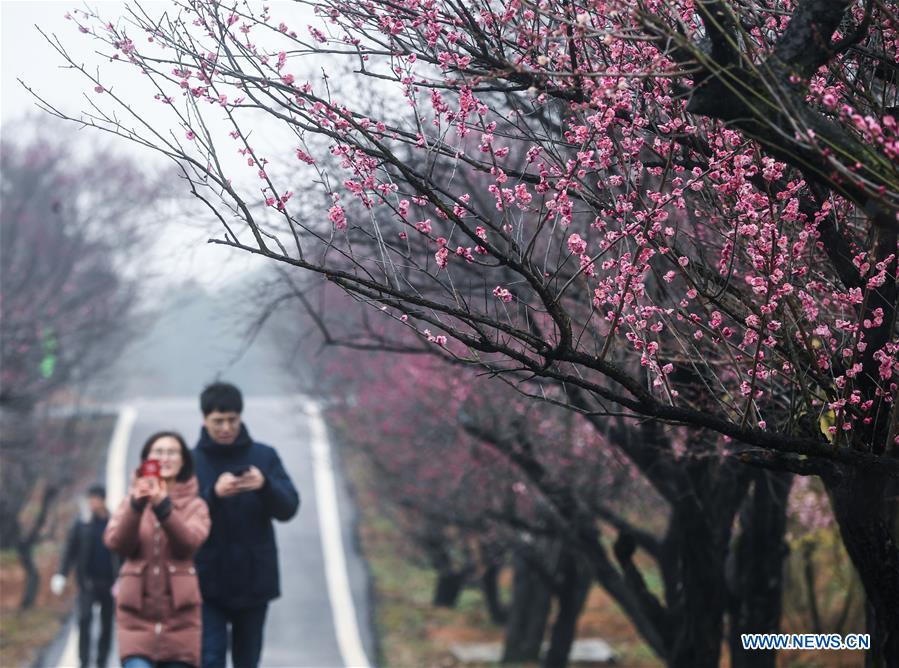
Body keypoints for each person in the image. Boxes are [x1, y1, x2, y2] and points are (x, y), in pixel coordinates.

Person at [192, 382, 300, 668]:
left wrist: (265, 486)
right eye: (218, 421)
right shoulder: (191, 462)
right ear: (204, 420)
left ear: (241, 417)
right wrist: (213, 495)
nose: (226, 428)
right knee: (210, 658)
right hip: (206, 582)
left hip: (254, 581)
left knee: (247, 661)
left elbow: (289, 508)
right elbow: (180, 518)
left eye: (232, 420)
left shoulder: (264, 457)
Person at [104, 431, 211, 668]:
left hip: (180, 624)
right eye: (158, 452)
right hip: (136, 622)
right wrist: (136, 506)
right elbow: (116, 543)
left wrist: (163, 506)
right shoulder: (129, 503)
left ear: (183, 461)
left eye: (172, 452)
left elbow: (188, 544)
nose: (165, 457)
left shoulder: (196, 506)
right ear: (146, 461)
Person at [52, 484, 118, 668]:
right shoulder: (82, 524)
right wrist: (61, 574)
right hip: (87, 583)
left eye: (95, 499)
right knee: (85, 620)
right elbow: (70, 550)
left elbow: (122, 552)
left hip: (109, 583)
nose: (92, 503)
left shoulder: (114, 523)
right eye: (90, 499)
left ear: (102, 500)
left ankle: (102, 661)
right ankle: (84, 661)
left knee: (107, 624)